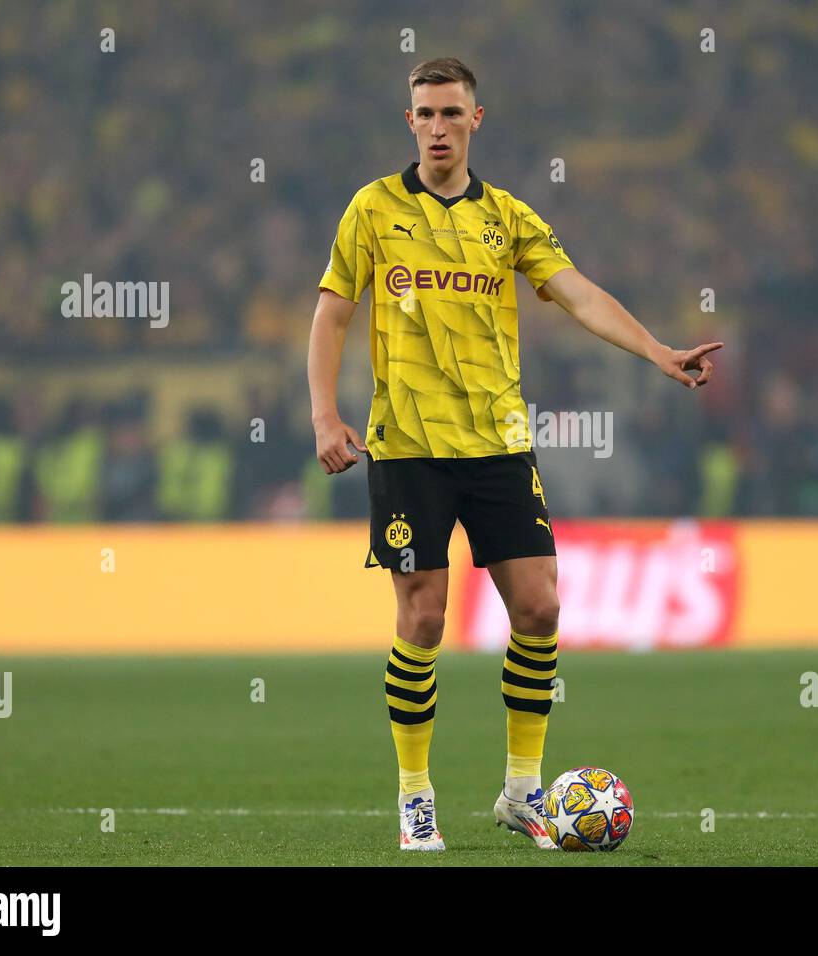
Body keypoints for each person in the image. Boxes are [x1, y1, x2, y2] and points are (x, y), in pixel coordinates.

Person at [306, 58, 721, 851]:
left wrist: (659, 351)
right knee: (423, 618)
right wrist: (325, 415)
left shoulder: (510, 219)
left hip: (499, 445)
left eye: (450, 114)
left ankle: (522, 793)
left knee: (539, 608)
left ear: (476, 120)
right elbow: (331, 315)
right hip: (407, 446)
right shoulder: (372, 210)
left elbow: (579, 293)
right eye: (423, 114)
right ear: (409, 123)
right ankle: (415, 796)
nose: (436, 128)